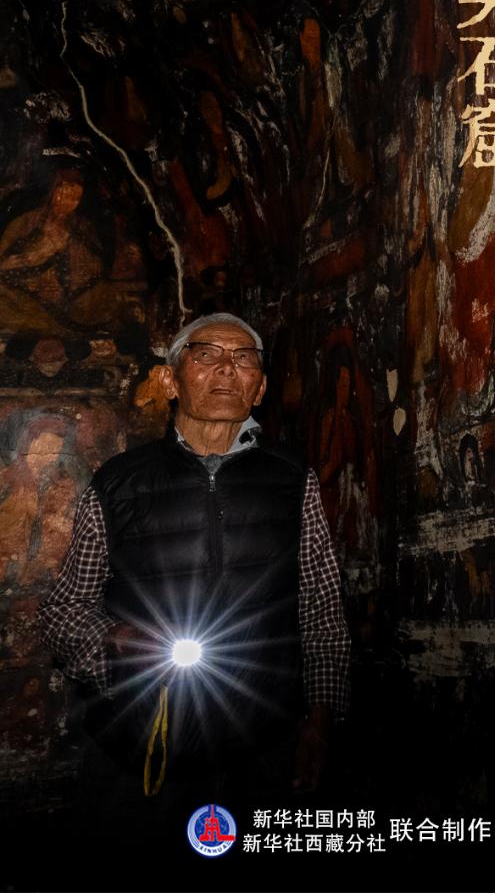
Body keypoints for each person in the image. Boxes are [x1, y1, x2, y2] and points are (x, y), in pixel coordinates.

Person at [38, 312, 350, 845]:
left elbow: (321, 611)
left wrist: (319, 723)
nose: (227, 369)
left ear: (260, 389)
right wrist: (118, 643)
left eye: (244, 358)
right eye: (205, 355)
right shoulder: (118, 483)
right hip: (139, 739)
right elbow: (63, 611)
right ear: (170, 381)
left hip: (262, 740)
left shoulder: (291, 479)